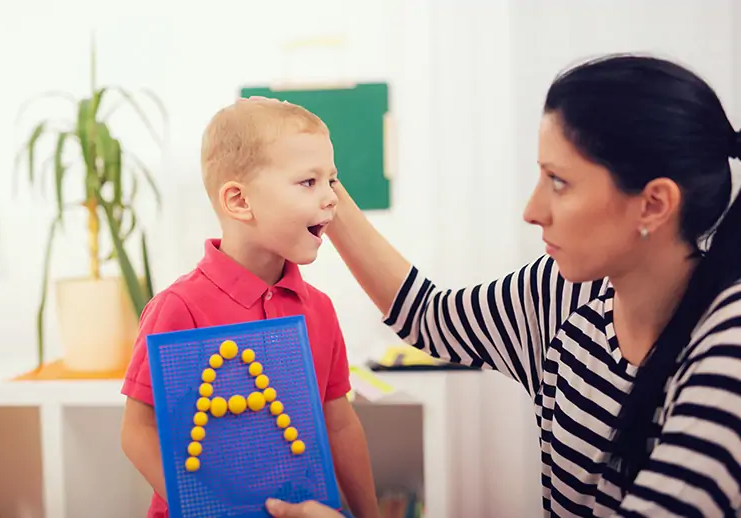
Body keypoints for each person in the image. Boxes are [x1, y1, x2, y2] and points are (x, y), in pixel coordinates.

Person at [264, 53, 741, 517]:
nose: (532, 210)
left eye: (559, 182)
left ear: (654, 204)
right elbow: (429, 317)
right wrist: (324, 183)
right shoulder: (566, 293)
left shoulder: (728, 348)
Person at [119, 99, 380, 518]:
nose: (332, 198)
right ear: (239, 201)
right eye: (308, 182)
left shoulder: (319, 310)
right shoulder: (177, 308)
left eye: (331, 180)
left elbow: (339, 424)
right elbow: (138, 431)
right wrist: (205, 509)